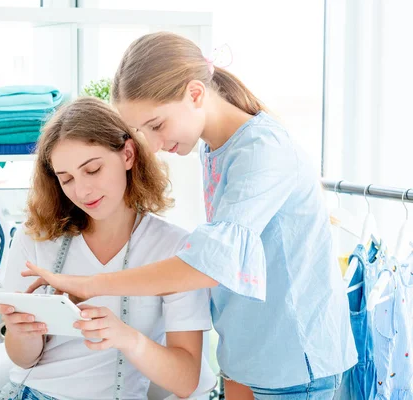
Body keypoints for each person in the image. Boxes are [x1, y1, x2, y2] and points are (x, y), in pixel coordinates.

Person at [21, 32, 357, 400]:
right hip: (245, 351)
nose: (153, 144)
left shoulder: (263, 150)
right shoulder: (214, 150)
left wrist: (92, 284)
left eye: (157, 125)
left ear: (195, 94)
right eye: (142, 131)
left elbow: (209, 264)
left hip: (291, 358)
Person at [0, 96, 213, 400]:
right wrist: (20, 332)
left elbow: (187, 380)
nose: (82, 191)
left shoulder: (173, 248)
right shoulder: (37, 238)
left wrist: (127, 339)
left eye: (93, 170)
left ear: (127, 154)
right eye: (66, 179)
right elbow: (24, 359)